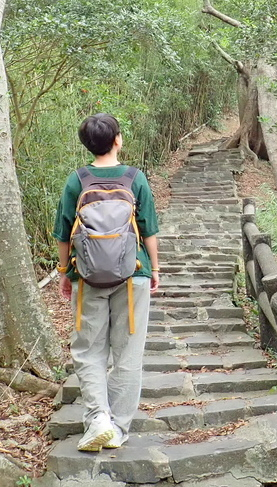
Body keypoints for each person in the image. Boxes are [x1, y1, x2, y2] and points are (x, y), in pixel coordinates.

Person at [53, 113, 159, 451]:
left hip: (87, 277)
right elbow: (149, 229)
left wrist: (64, 272)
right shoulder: (134, 178)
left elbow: (63, 232)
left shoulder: (77, 181)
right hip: (133, 274)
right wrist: (154, 269)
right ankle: (118, 428)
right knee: (128, 354)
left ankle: (97, 418)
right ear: (118, 140)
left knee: (89, 351)